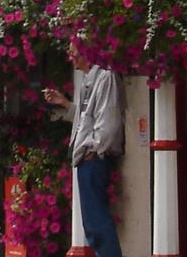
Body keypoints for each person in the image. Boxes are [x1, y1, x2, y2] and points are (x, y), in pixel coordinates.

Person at [44, 50, 123, 257]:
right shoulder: (89, 79)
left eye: (73, 52)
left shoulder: (105, 76)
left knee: (98, 223)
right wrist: (65, 104)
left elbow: (108, 119)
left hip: (94, 158)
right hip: (86, 157)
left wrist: (94, 150)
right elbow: (85, 117)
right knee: (92, 224)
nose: (70, 57)